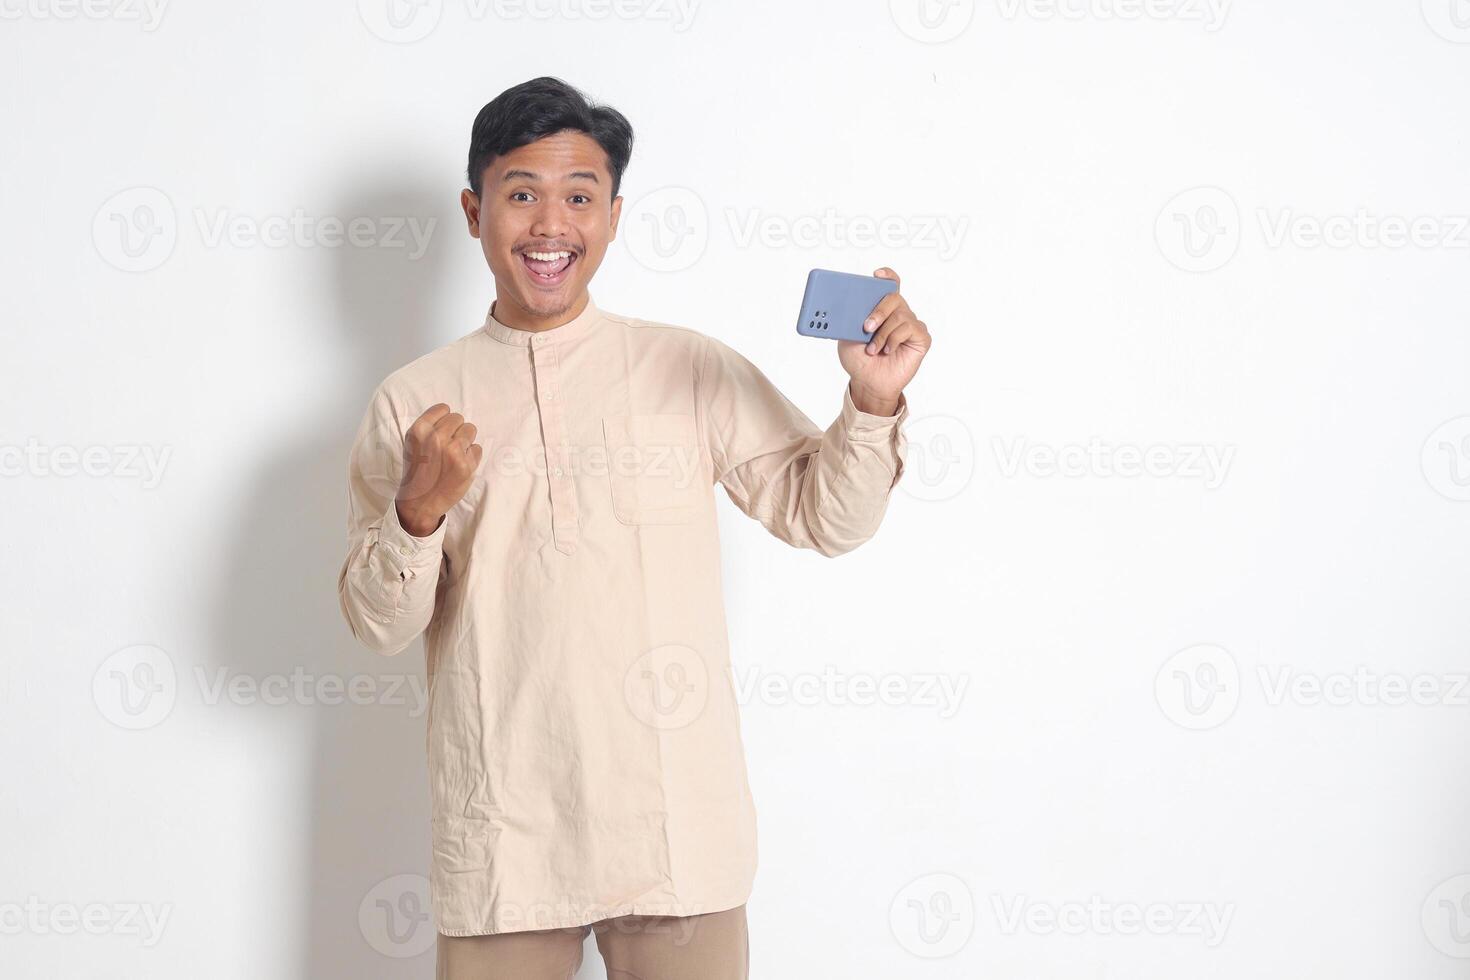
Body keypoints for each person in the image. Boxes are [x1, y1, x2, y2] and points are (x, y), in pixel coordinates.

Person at [337, 76, 932, 980]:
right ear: (473, 210)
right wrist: (418, 510)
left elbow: (825, 517)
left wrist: (874, 400)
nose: (550, 226)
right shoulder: (412, 402)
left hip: (676, 834)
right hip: (505, 840)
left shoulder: (687, 367)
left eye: (579, 197)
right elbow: (377, 625)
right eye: (521, 193)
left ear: (613, 217)